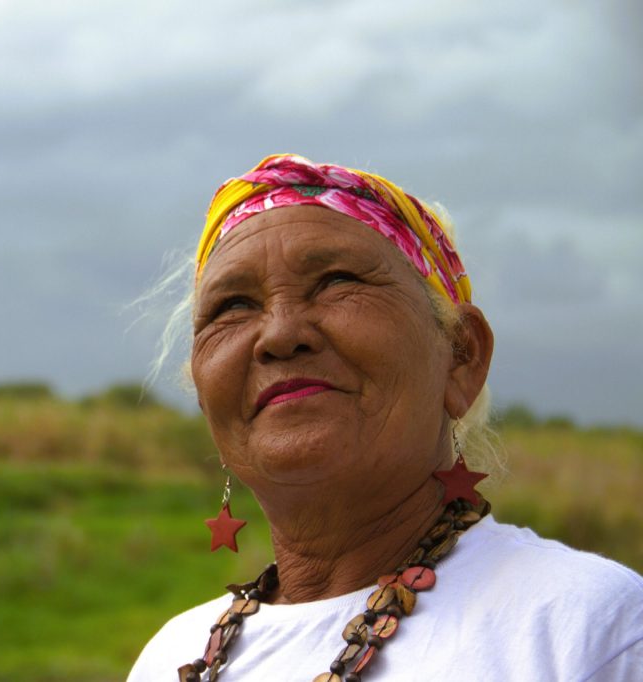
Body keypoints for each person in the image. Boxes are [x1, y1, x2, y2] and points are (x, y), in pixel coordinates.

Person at [128, 154, 643, 681]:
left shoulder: (587, 630)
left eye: (336, 281)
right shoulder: (171, 656)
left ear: (461, 356)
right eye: (233, 305)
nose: (281, 334)